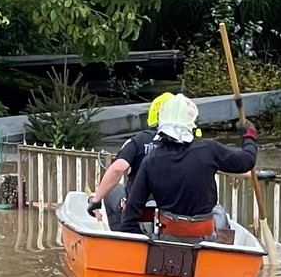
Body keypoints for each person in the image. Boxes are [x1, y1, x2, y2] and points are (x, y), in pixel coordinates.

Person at [119, 93, 258, 240]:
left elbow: (130, 216)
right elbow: (247, 161)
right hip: (204, 237)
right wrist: (249, 135)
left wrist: (147, 243)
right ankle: (222, 254)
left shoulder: (151, 160)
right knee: (220, 214)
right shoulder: (209, 149)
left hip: (167, 237)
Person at [85, 92, 174, 230]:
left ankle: (123, 237)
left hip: (138, 210)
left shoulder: (139, 140)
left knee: (112, 190)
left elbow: (117, 169)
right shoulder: (190, 146)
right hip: (175, 212)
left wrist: (95, 201)